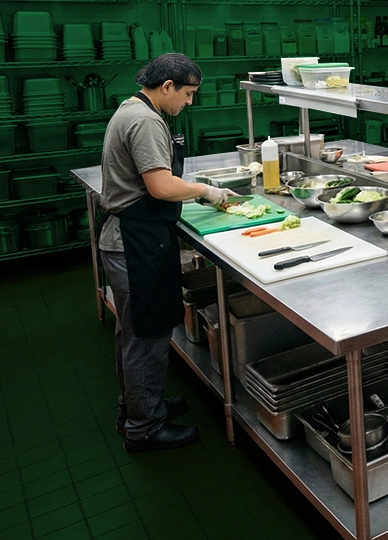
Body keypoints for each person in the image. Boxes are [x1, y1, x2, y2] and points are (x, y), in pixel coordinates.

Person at [98, 54, 235, 452]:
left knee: (135, 333)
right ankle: (144, 427)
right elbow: (160, 186)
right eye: (188, 94)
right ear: (168, 86)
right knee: (146, 335)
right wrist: (207, 191)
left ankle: (140, 406)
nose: (189, 103)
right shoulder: (144, 120)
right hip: (134, 242)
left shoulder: (133, 108)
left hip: (133, 236)